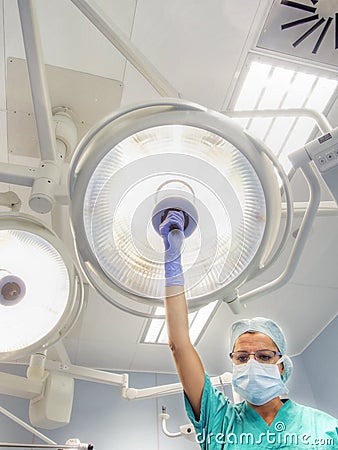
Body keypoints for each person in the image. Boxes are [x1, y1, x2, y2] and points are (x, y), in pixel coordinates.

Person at [159, 210, 338, 449]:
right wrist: (172, 260)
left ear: (282, 366)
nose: (252, 364)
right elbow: (178, 345)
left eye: (264, 356)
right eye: (242, 358)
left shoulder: (324, 428)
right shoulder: (220, 422)